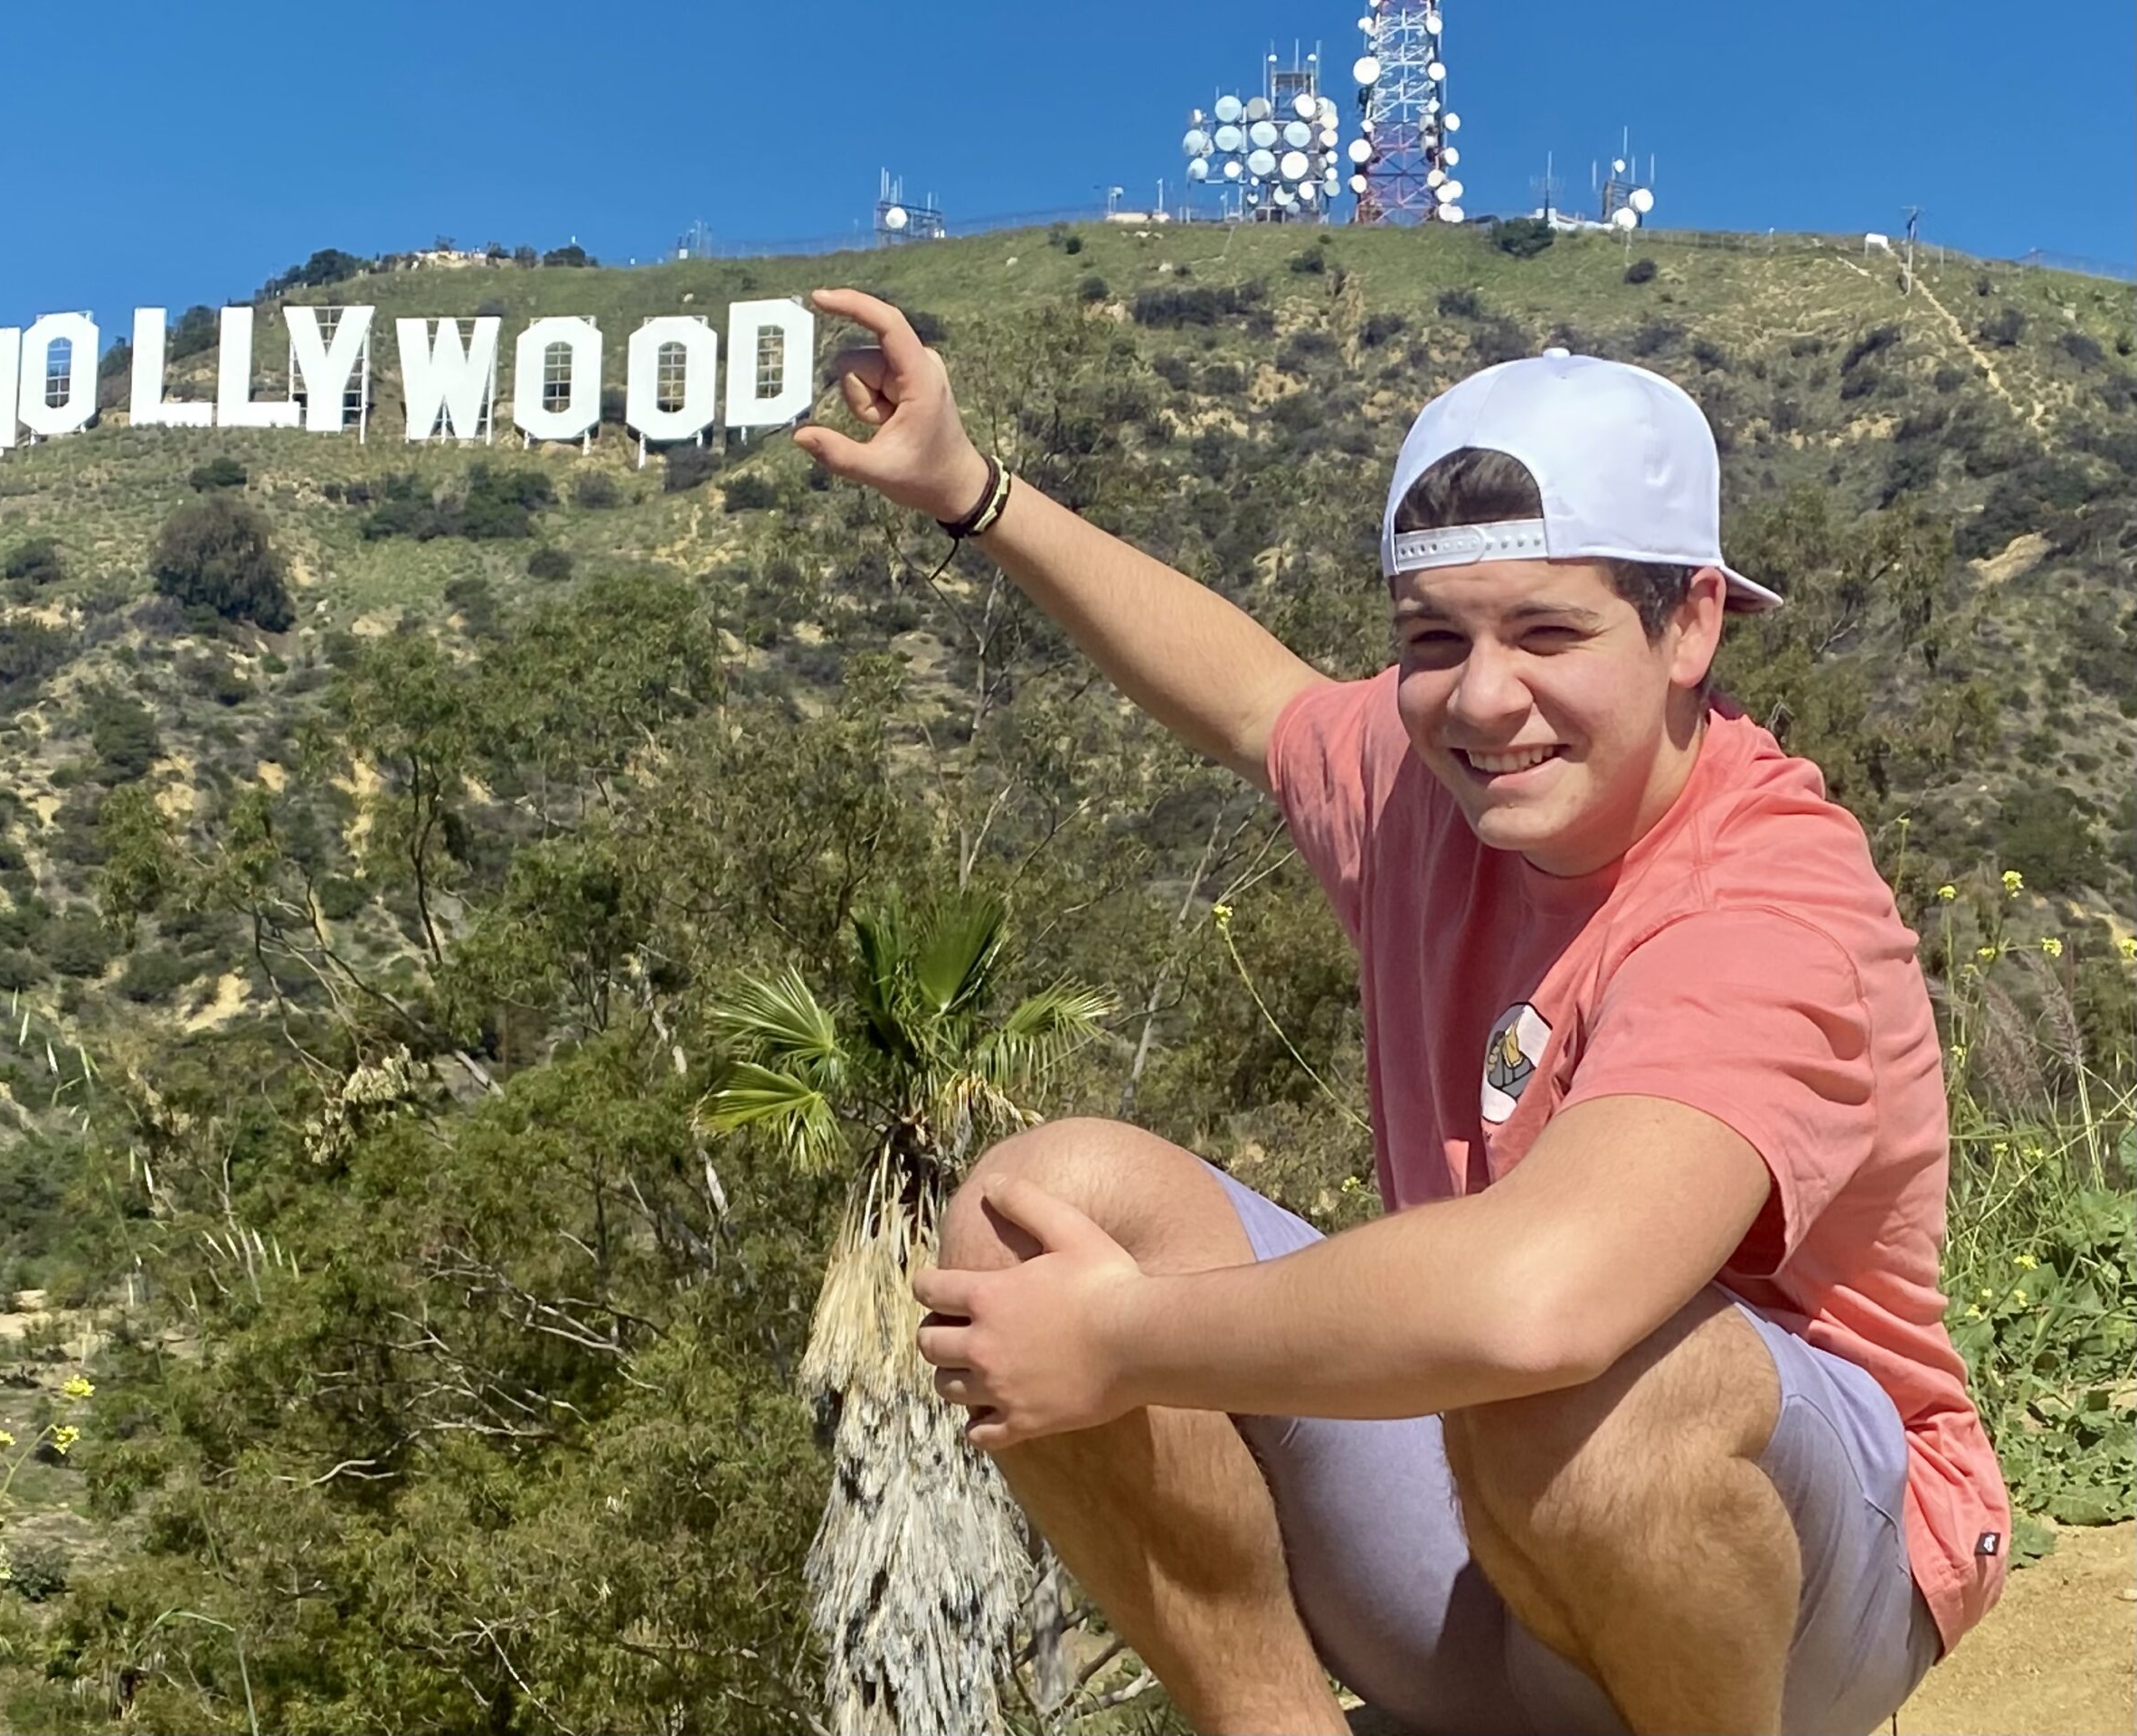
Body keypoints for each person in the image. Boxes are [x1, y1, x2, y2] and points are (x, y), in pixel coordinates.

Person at [790, 287, 2009, 1736]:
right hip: (1487, 1541)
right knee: (1036, 1213)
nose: (1484, 700)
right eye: (1433, 639)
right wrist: (971, 490)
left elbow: (1544, 1306)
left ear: (1689, 623)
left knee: (1591, 1390)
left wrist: (1119, 1341)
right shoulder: (1442, 777)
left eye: (1548, 630)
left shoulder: (1764, 901)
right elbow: (1255, 700)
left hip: (1801, 1598)